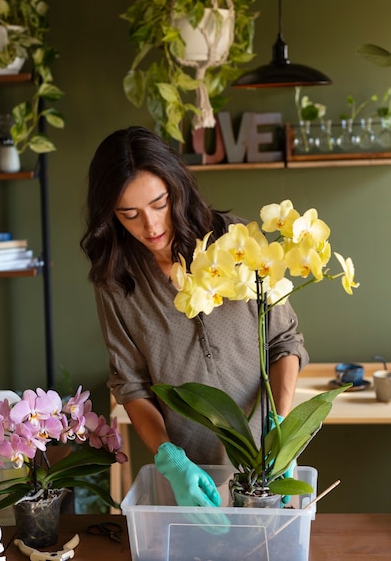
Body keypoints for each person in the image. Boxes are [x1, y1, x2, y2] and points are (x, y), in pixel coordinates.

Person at [80, 126, 309, 508]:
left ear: (177, 188)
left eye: (159, 203)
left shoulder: (233, 240)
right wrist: (170, 459)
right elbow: (131, 385)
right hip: (192, 480)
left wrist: (281, 429)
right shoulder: (115, 280)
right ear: (110, 214)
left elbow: (284, 341)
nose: (151, 226)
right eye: (130, 214)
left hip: (267, 467)